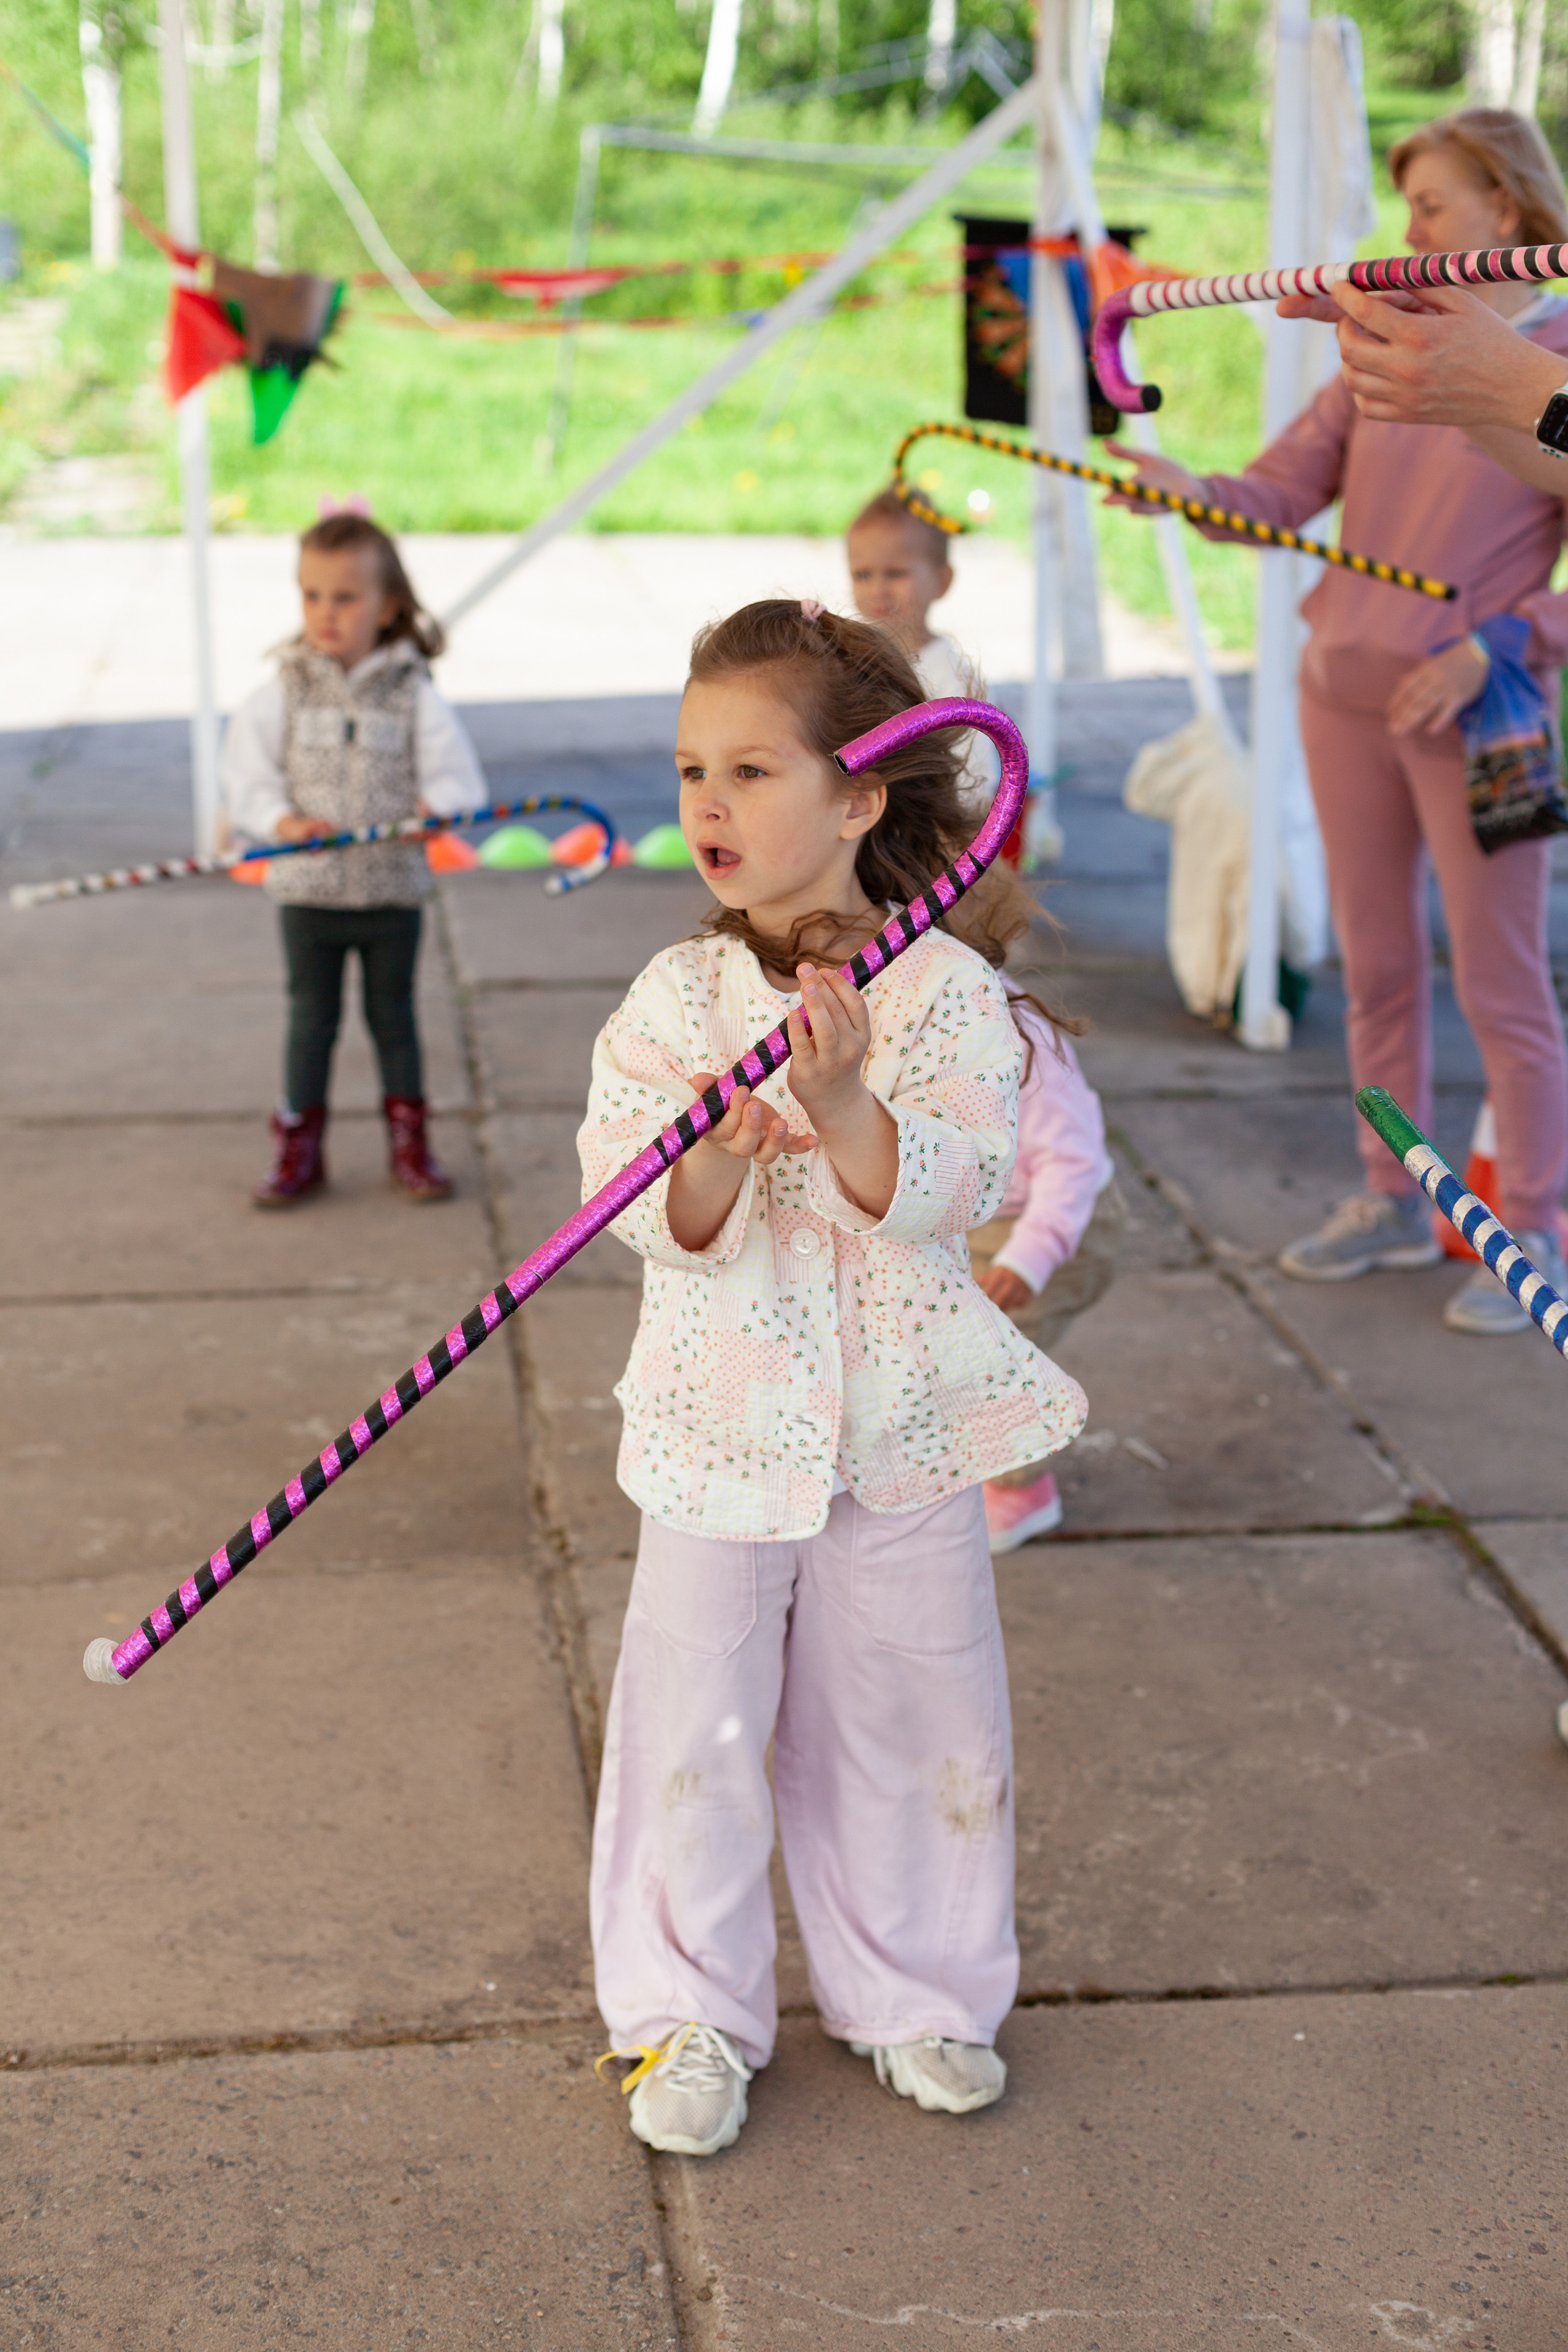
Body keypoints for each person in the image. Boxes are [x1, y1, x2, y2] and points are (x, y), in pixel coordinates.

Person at [580, 598, 1087, 2157]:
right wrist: (710, 1172)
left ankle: (923, 1986)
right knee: (695, 1709)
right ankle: (679, 2009)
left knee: (917, 1700)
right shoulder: (677, 999)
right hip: (719, 1421)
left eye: (749, 769)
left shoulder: (941, 996)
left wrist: (848, 1097)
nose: (708, 807)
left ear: (860, 795)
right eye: (688, 773)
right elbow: (625, 1192)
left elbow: (952, 1186)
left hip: (902, 1420)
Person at [1106, 108, 1568, 1336]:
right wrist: (1186, 493)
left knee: (1499, 984)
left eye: (1427, 206)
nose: (1402, 230)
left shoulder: (1555, 365)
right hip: (1340, 698)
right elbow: (1273, 495)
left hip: (1482, 717)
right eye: (1400, 203)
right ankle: (1388, 1195)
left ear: (1504, 216)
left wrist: (1498, 644)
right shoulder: (1388, 350)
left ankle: (1530, 1225)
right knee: (1373, 976)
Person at [223, 511, 486, 1207]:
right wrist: (281, 820)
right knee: (311, 1022)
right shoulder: (285, 687)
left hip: (390, 894)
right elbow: (247, 775)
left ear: (388, 605)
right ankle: (297, 1149)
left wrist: (438, 810)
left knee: (392, 1019)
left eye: (345, 597)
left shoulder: (410, 690)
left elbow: (456, 774)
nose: (326, 613)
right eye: (312, 596)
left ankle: (410, 1146)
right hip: (308, 894)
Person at [969, 988, 1123, 1551]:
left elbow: (1072, 1161)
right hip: (983, 1219)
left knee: (1004, 1358)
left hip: (1054, 1227)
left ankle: (1017, 1494)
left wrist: (1030, 1255)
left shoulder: (1019, 1034)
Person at [846, 486, 997, 807]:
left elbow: (974, 786)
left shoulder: (956, 682)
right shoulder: (846, 659)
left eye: (896, 573)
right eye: (862, 574)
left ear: (942, 581)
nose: (877, 589)